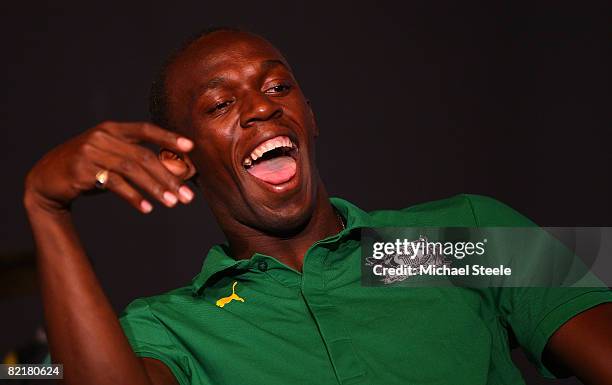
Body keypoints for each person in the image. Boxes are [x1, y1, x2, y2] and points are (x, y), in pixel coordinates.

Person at [23, 28, 612, 385]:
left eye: (278, 88)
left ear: (310, 117)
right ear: (180, 159)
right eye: (222, 103)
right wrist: (47, 208)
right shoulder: (171, 326)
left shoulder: (459, 236)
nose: (261, 108)